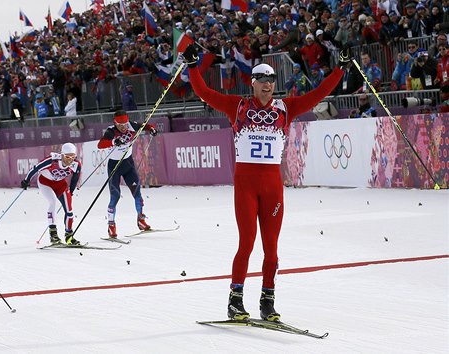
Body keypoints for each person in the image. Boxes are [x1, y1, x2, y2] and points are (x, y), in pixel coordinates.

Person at [183, 44, 346, 322]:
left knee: (271, 248)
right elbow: (204, 93)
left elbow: (320, 93)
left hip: (273, 189)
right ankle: (235, 300)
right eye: (262, 81)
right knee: (246, 243)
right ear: (253, 83)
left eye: (271, 81)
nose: (268, 85)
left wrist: (340, 68)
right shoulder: (238, 106)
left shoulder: (286, 108)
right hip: (246, 187)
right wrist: (192, 66)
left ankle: (267, 301)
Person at [97, 110, 157, 239]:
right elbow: (100, 144)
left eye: (124, 123)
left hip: (128, 164)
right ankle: (111, 225)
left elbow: (146, 126)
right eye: (120, 124)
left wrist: (152, 129)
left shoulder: (132, 125)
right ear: (115, 123)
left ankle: (141, 219)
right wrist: (113, 142)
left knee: (137, 193)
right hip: (115, 166)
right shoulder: (111, 131)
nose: (123, 127)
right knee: (115, 196)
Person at [21, 143, 82, 246]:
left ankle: (69, 236)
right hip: (45, 183)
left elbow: (75, 178)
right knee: (53, 202)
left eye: (73, 157)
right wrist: (26, 180)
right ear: (62, 155)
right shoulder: (51, 161)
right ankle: (53, 234)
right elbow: (35, 168)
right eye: (67, 157)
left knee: (69, 211)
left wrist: (71, 191)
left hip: (60, 184)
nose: (70, 160)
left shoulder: (76, 164)